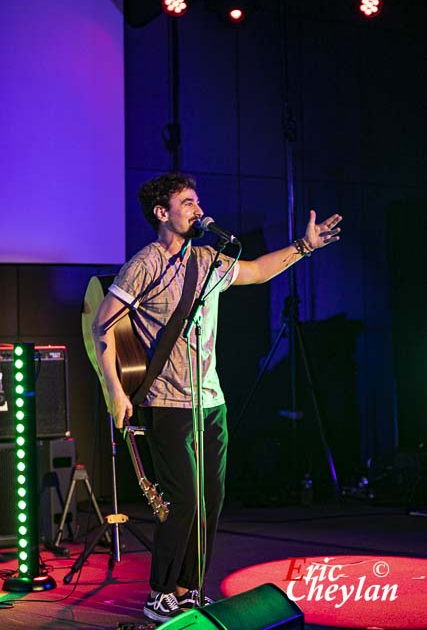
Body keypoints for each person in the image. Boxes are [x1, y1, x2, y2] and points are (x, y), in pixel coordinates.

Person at [92, 172, 342, 623]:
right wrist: (115, 390)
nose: (196, 207)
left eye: (196, 200)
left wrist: (304, 247)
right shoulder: (145, 263)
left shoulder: (209, 258)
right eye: (186, 202)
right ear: (162, 213)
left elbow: (258, 270)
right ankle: (160, 591)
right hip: (168, 402)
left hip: (212, 402)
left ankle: (190, 589)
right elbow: (102, 324)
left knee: (210, 499)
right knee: (182, 499)